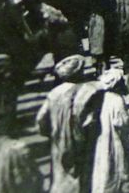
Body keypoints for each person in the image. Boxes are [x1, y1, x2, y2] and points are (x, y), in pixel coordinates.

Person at [36, 54, 102, 193]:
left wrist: (53, 134)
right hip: (81, 143)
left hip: (59, 143)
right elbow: (91, 122)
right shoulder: (88, 91)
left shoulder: (53, 93)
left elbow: (41, 121)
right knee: (83, 179)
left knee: (61, 179)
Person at [90, 68, 129, 193]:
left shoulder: (104, 98)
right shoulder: (117, 100)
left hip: (104, 139)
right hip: (117, 139)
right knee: (122, 166)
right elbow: (125, 123)